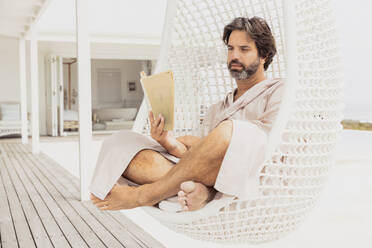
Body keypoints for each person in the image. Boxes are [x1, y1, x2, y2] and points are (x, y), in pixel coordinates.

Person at [90, 16, 284, 211]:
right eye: (231, 48)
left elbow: (269, 144)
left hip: (249, 175)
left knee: (230, 131)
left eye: (244, 49)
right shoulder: (217, 109)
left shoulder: (278, 91)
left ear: (264, 56)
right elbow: (196, 159)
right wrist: (169, 142)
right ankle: (202, 191)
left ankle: (143, 196)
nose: (234, 56)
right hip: (204, 175)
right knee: (123, 144)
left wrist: (218, 142)